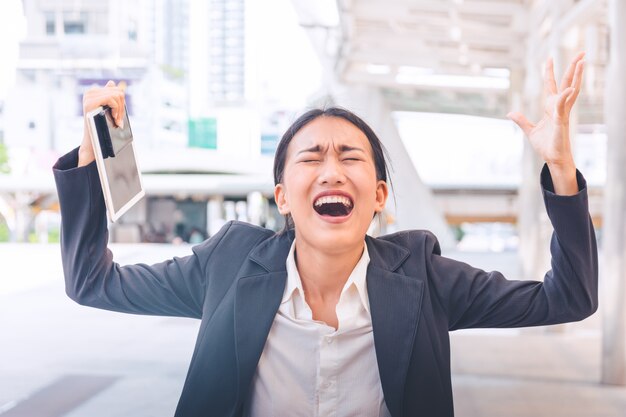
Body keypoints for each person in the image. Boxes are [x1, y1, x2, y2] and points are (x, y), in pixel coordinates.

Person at [53, 52, 596, 417]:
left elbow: (568, 297)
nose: (332, 170)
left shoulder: (423, 273)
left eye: (351, 157)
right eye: (311, 157)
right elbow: (90, 282)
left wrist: (563, 170)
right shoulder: (229, 263)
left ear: (379, 196)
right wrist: (93, 154)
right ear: (283, 196)